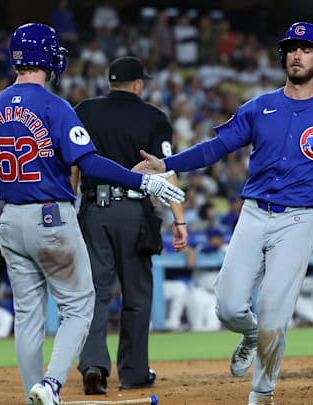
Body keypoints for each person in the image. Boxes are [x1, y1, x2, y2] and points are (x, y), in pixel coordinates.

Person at [136, 22, 313, 405]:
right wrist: (167, 163)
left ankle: (262, 391)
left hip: (300, 219)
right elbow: (214, 149)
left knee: (274, 312)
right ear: (282, 56)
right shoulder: (260, 106)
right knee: (228, 307)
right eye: (290, 48)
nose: (296, 55)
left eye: (305, 49)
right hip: (253, 213)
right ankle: (249, 335)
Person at [0, 23, 183, 405]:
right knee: (80, 306)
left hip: (11, 220)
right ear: (47, 58)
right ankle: (51, 385)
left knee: (28, 317)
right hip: (51, 218)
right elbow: (91, 163)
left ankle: (33, 393)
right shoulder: (55, 107)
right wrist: (144, 183)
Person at [71, 55, 188, 395]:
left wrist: (71, 207)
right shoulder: (154, 117)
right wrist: (178, 219)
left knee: (94, 294)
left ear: (110, 82)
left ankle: (93, 368)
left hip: (94, 210)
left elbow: (74, 168)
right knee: (136, 294)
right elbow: (165, 170)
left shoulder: (84, 111)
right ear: (138, 84)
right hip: (135, 211)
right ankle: (134, 372)